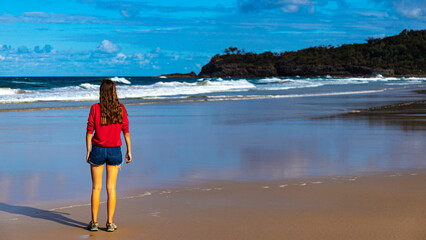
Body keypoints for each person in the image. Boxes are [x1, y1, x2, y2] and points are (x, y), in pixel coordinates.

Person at [85, 78, 132, 232]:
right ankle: (110, 223)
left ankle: (94, 222)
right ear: (114, 92)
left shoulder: (95, 108)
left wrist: (88, 151)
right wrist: (129, 150)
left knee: (96, 188)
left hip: (97, 150)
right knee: (111, 188)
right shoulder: (121, 109)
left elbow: (89, 132)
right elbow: (126, 131)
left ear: (101, 92)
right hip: (114, 151)